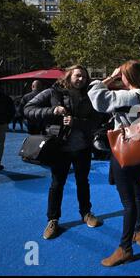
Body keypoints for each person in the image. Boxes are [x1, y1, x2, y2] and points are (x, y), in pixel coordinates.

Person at [87, 60, 140, 267]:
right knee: (138, 191)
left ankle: (125, 248)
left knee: (128, 201)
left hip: (125, 150)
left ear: (127, 76)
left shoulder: (127, 96)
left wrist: (110, 77)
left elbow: (96, 96)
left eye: (122, 75)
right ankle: (139, 231)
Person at [24, 65, 101, 240]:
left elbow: (96, 120)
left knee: (83, 182)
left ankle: (86, 213)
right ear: (69, 76)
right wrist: (52, 111)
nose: (81, 79)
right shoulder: (53, 92)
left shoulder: (90, 94)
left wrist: (77, 122)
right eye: (78, 75)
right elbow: (28, 109)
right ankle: (53, 219)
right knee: (57, 184)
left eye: (84, 76)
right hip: (59, 147)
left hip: (82, 147)